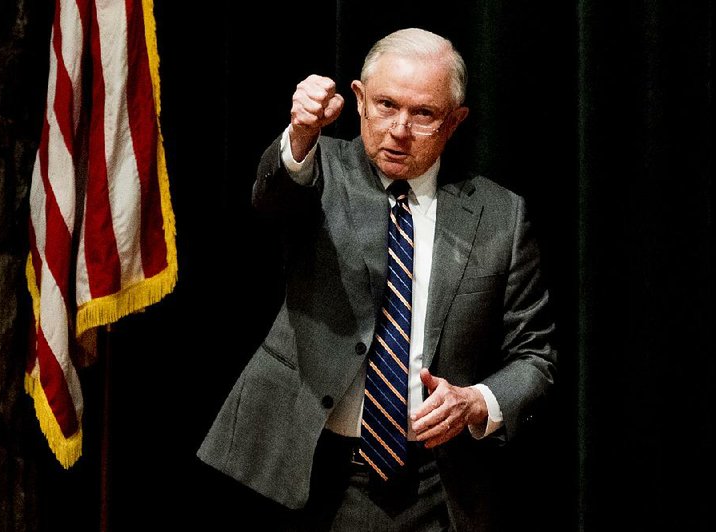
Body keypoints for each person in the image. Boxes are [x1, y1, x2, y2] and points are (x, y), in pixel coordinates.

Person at [197, 27, 557, 531]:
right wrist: (301, 133)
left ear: (455, 122)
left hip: (440, 482)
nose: (399, 129)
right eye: (386, 105)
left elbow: (535, 358)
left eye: (424, 114)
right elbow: (273, 199)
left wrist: (478, 401)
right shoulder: (321, 168)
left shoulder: (501, 215)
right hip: (309, 469)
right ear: (360, 100)